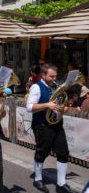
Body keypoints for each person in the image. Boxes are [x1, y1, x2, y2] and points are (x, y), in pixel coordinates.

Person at [26, 65, 73, 193]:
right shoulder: (36, 87)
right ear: (44, 75)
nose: (54, 79)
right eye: (51, 76)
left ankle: (61, 184)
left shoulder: (57, 87)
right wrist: (47, 105)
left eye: (55, 76)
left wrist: (63, 108)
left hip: (57, 123)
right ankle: (38, 179)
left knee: (63, 152)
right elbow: (29, 107)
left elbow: (59, 104)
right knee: (42, 152)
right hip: (42, 125)